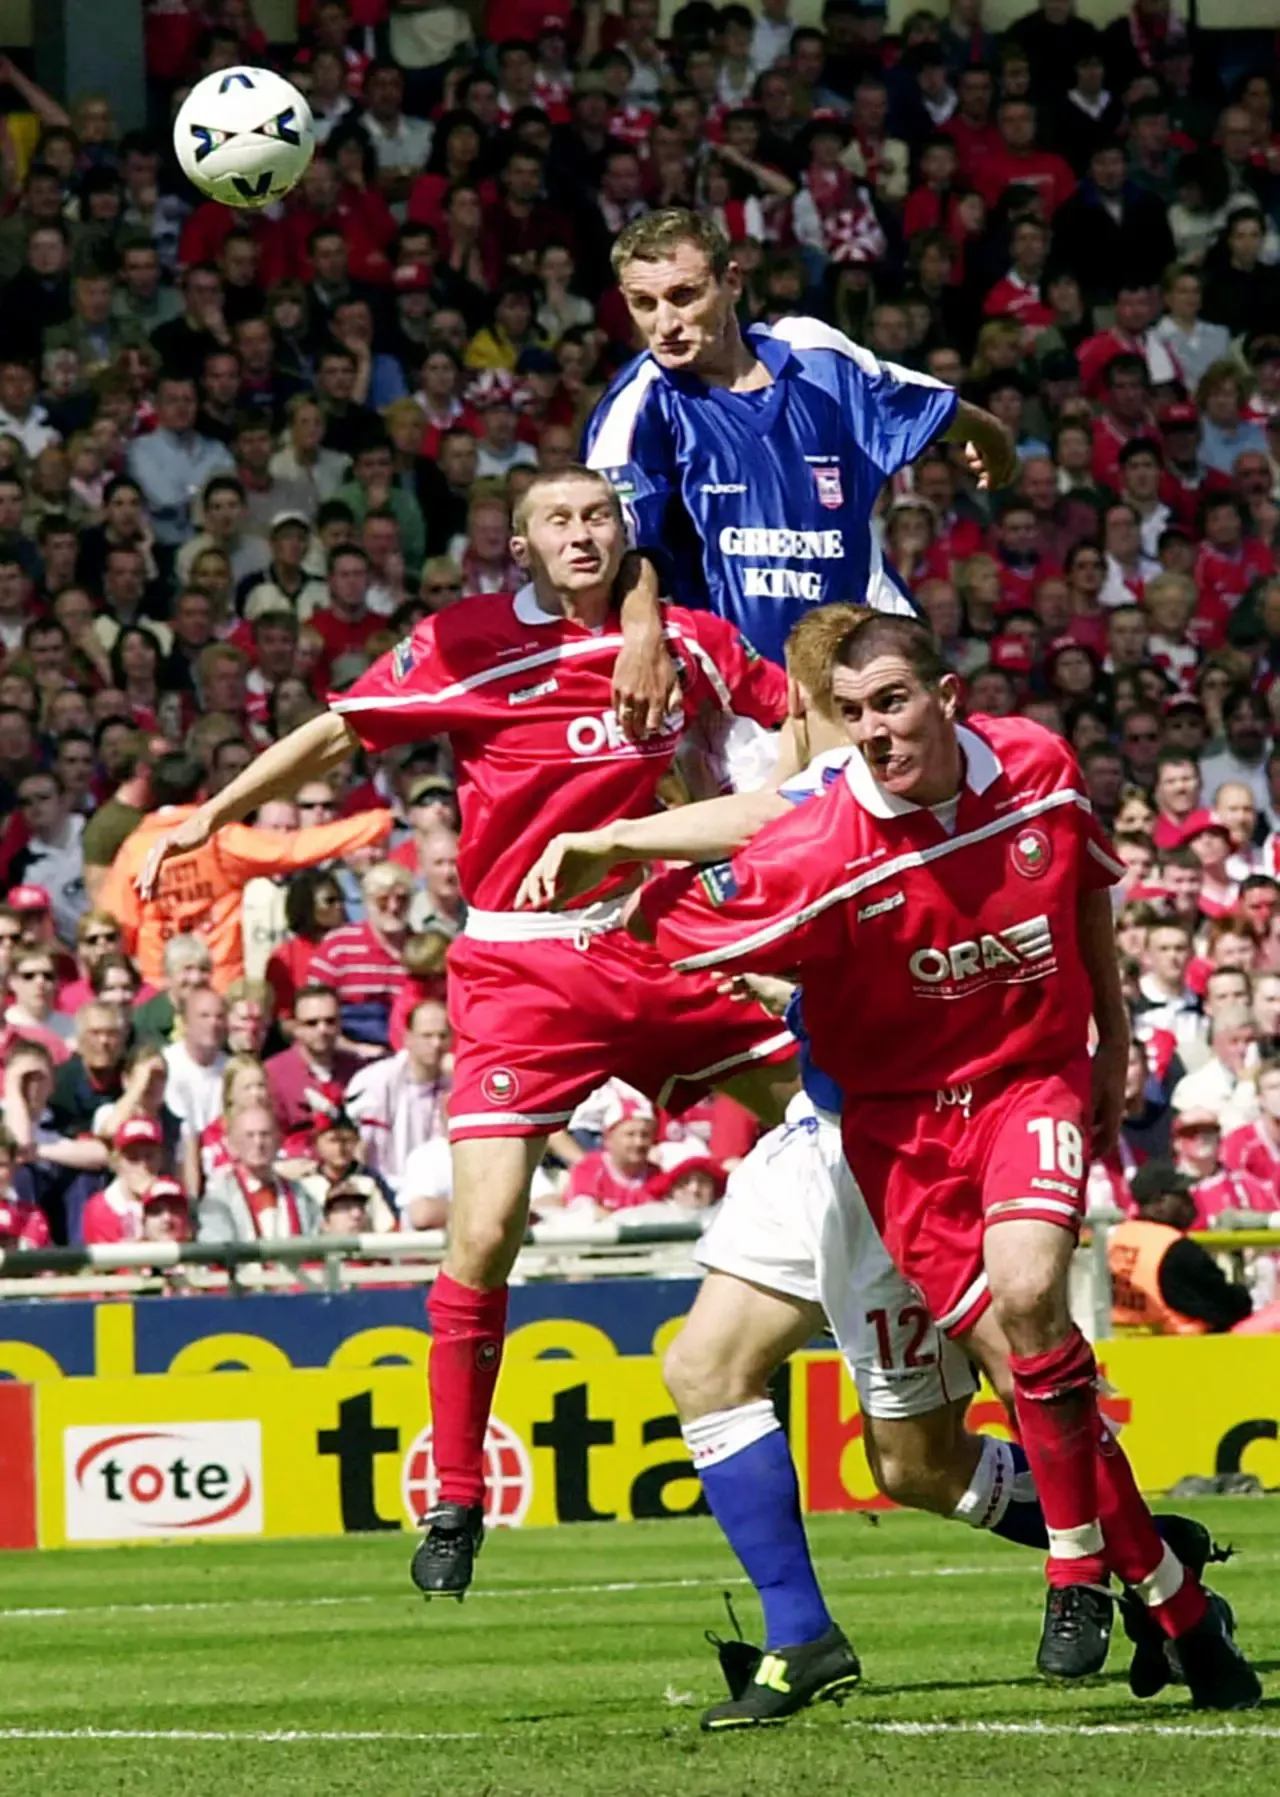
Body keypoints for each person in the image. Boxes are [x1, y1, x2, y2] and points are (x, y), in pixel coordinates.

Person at [136, 465, 798, 1601]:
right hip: (521, 964)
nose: (579, 536)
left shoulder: (685, 638)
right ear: (522, 549)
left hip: (658, 936)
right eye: (556, 522)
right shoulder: (466, 641)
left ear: (620, 535)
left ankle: (930, 1364)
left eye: (597, 518)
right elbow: (337, 735)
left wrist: (750, 833)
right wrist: (211, 815)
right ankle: (453, 1494)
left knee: (847, 1128)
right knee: (483, 1234)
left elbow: (798, 727)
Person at [626, 610, 1259, 1709]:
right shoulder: (808, 816)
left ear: (941, 696)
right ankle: (813, 1633)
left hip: (980, 1098)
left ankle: (1116, 1564)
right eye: (836, 710)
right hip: (845, 1132)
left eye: (882, 703)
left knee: (947, 1423)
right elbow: (729, 896)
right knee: (706, 1371)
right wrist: (610, 851)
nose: (860, 730)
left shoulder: (1001, 775)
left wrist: (1108, 1045)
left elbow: (1078, 901)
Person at [582, 208, 1015, 732]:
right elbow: (625, 545)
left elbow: (923, 403)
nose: (665, 323)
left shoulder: (816, 354)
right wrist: (642, 640)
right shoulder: (637, 405)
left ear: (732, 282)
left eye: (684, 295)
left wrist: (993, 439)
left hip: (875, 668)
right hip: (746, 709)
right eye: (643, 304)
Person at [99, 750, 394, 990]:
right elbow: (293, 849)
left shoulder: (135, 849)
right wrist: (378, 822)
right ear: (202, 793)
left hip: (160, 988)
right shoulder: (220, 839)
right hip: (220, 986)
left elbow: (116, 923)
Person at [1109, 1161, 1255, 1335]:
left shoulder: (1117, 1237)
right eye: (1182, 1195)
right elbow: (1231, 1306)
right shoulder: (1176, 1250)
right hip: (1183, 1351)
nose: (1191, 1201)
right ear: (1159, 1201)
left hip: (1123, 1348)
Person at [344, 995, 450, 1191]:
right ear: (407, 1038)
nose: (436, 1044)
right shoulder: (374, 1081)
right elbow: (361, 1150)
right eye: (427, 1035)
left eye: (442, 1035)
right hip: (382, 1188)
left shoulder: (452, 1085)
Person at [198, 1103, 321, 1243]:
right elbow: (217, 1250)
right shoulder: (219, 1197)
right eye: (249, 1135)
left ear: (279, 1140)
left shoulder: (300, 1194)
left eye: (265, 1134)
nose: (258, 1143)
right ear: (231, 1144)